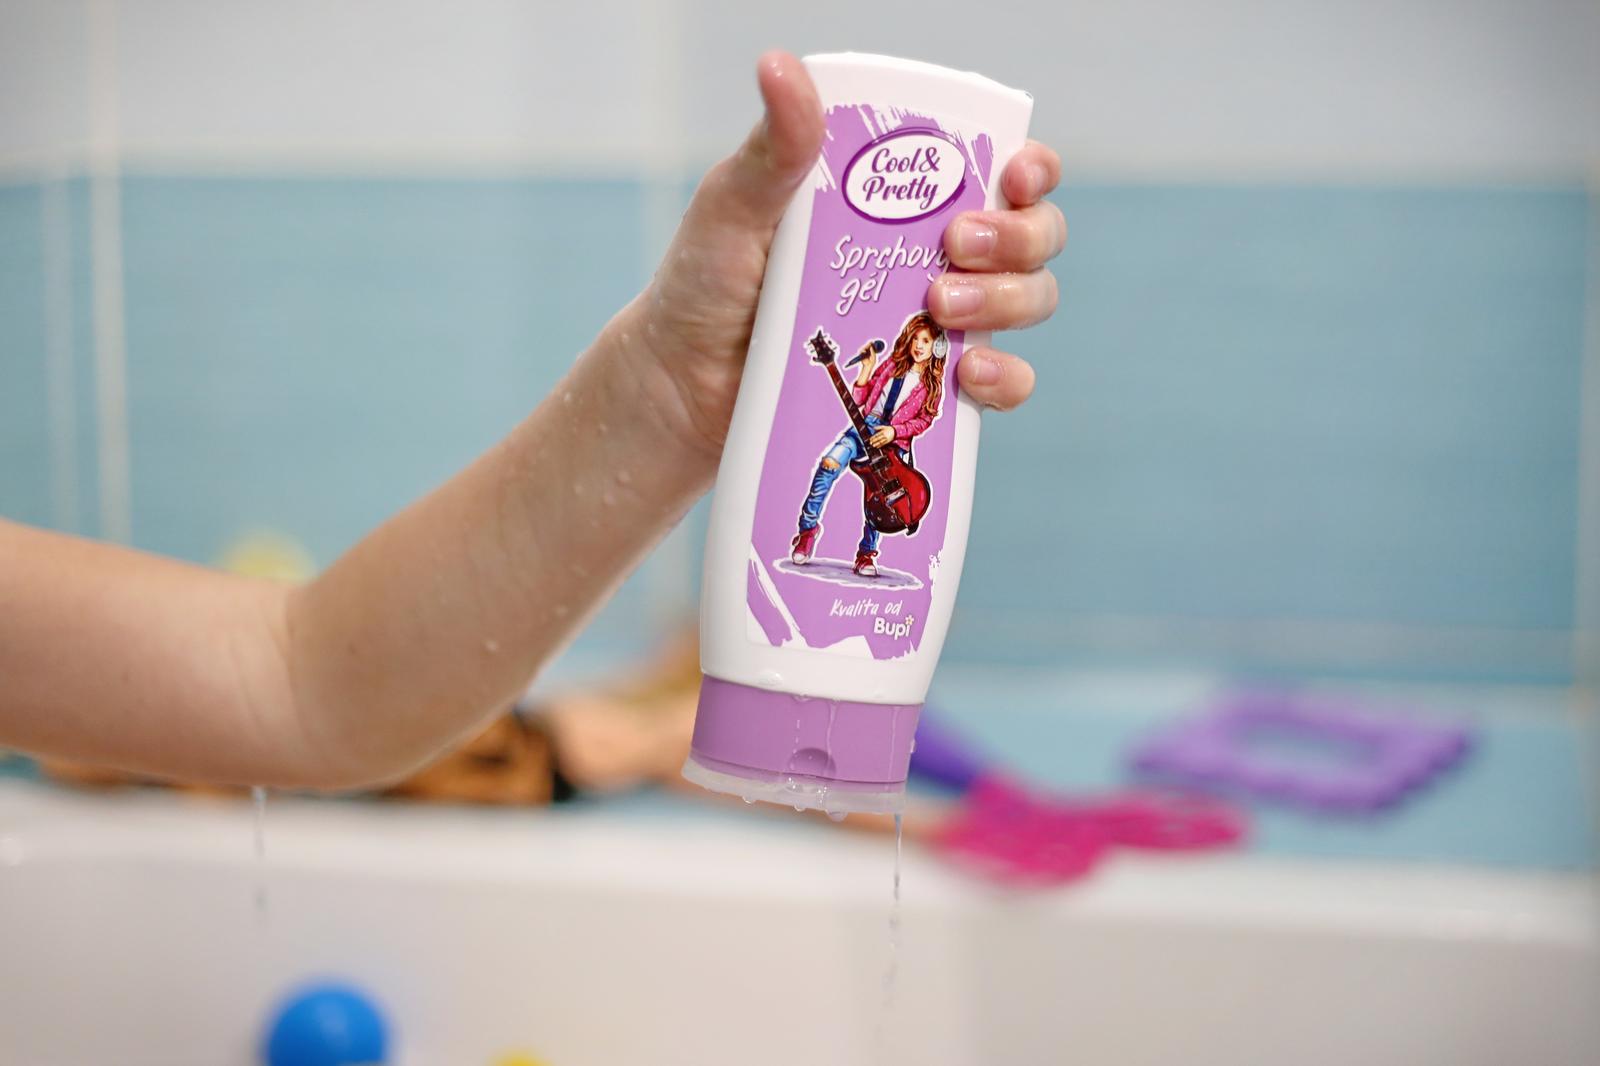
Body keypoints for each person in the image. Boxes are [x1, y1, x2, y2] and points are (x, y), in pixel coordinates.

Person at [0, 52, 1065, 791]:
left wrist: (667, 390)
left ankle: (849, 549)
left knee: (852, 486)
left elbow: (300, 684)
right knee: (833, 481)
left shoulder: (906, 365)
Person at [791, 310, 947, 577]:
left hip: (893, 442)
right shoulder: (892, 364)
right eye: (915, 339)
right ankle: (807, 530)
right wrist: (866, 369)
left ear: (938, 346)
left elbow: (924, 420)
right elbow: (860, 398)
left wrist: (894, 432)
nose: (919, 346)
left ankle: (866, 553)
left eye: (926, 340)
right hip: (864, 426)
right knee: (829, 464)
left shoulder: (931, 386)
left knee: (881, 494)